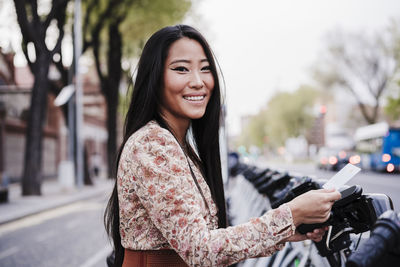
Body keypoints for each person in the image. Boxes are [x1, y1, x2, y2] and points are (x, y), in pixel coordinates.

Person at [104, 24, 341, 267]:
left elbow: (198, 241)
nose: (198, 81)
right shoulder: (153, 144)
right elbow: (201, 250)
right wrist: (291, 214)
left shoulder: (177, 144)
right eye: (181, 69)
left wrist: (287, 229)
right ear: (154, 78)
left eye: (205, 69)